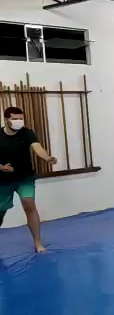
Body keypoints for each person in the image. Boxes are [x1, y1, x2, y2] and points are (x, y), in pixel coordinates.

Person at [0, 107, 57, 253]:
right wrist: (1, 167)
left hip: (24, 177)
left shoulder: (27, 133)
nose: (18, 121)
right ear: (6, 120)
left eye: (20, 118)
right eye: (14, 118)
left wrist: (47, 157)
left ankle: (38, 243)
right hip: (3, 181)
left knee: (29, 204)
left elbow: (37, 148)